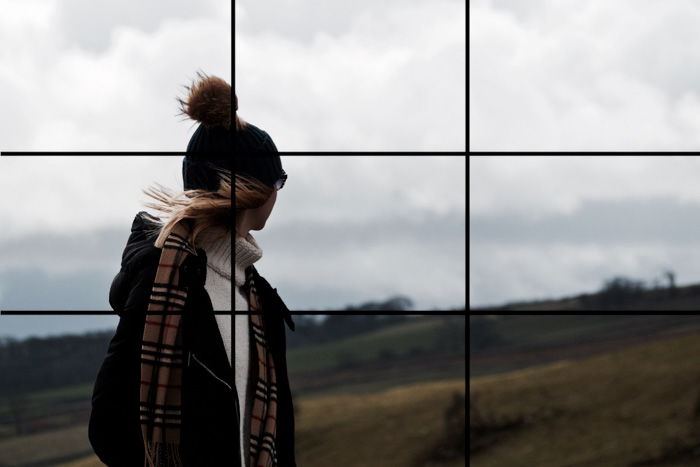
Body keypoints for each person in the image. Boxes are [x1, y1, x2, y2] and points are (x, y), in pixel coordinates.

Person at [88, 72, 296, 466]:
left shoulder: (259, 299)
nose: (278, 194)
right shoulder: (162, 282)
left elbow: (280, 440)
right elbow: (108, 426)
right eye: (278, 180)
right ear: (255, 188)